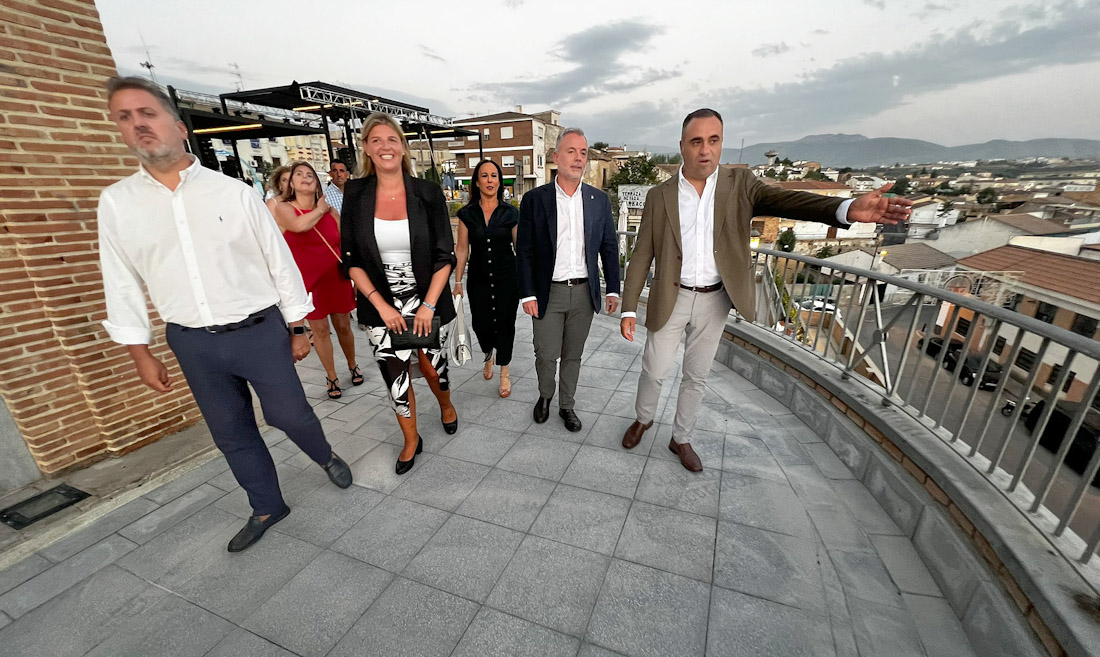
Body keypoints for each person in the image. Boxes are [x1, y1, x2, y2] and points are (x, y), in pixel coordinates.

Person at [98, 77, 352, 553]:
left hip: (258, 332)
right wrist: (139, 351)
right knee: (230, 431)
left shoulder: (231, 193)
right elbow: (121, 279)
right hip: (192, 341)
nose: (137, 126)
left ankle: (324, 454)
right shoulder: (117, 204)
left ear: (178, 127)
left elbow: (279, 261)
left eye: (146, 114)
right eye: (124, 118)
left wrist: (298, 325)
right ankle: (266, 505)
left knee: (289, 414)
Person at [619, 108, 912, 471]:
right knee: (654, 369)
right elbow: (641, 253)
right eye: (697, 141)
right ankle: (643, 418)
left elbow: (790, 202)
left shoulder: (740, 185)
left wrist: (847, 208)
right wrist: (629, 307)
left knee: (697, 375)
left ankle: (681, 438)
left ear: (721, 143)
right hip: (671, 296)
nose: (706, 150)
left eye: (714, 140)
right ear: (682, 146)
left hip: (714, 299)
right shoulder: (659, 196)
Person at [341, 114, 459, 475]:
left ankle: (446, 405)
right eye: (375, 140)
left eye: (392, 139)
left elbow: (445, 256)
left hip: (426, 300)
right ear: (365, 148)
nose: (385, 146)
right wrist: (381, 306)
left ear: (403, 146)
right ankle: (411, 440)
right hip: (381, 306)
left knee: (432, 367)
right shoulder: (356, 194)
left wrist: (426, 306)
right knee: (396, 377)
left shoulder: (426, 193)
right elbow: (352, 260)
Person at [516, 128, 620, 432]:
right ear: (556, 156)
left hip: (584, 293)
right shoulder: (536, 200)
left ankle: (567, 405)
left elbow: (609, 247)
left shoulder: (598, 200)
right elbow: (524, 250)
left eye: (583, 152)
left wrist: (612, 288)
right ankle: (545, 396)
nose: (578, 158)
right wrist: (528, 293)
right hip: (549, 292)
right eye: (571, 151)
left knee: (573, 355)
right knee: (546, 354)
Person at [273, 161, 361, 400]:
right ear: (291, 183)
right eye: (298, 174)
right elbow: (298, 226)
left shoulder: (332, 211)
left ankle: (353, 365)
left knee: (343, 325)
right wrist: (320, 210)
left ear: (318, 182)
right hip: (308, 281)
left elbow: (345, 242)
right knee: (320, 330)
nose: (305, 177)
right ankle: (331, 376)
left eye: (310, 174)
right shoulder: (284, 208)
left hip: (335, 276)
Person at [455, 159, 520, 397]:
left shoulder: (511, 212)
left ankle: (504, 371)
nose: (490, 180)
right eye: (484, 176)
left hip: (507, 279)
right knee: (481, 323)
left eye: (494, 176)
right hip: (479, 279)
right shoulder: (466, 214)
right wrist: (458, 282)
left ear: (500, 181)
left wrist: (527, 283)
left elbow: (519, 248)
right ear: (476, 181)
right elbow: (462, 249)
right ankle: (487, 354)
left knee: (505, 323)